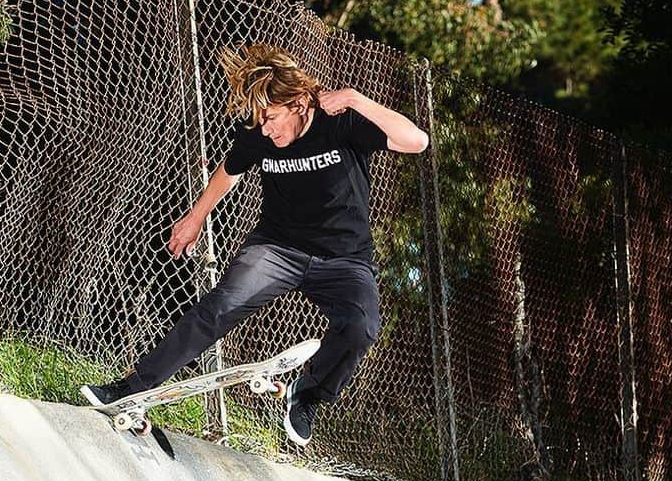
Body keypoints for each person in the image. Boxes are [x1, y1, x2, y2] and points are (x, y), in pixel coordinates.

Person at [81, 43, 429, 447]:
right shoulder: (257, 135)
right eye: (260, 120)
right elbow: (228, 173)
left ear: (300, 103)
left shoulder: (341, 122)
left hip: (344, 259)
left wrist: (352, 97)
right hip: (277, 249)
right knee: (220, 306)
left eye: (273, 118)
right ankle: (131, 387)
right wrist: (195, 218)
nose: (266, 129)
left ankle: (308, 393)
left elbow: (416, 141)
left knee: (361, 328)